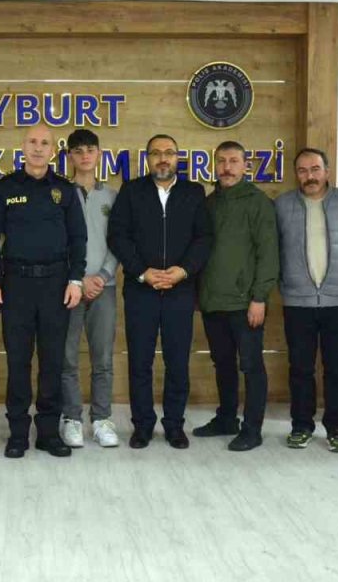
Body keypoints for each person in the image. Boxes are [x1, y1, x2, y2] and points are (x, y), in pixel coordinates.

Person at [0, 124, 86, 459]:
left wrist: (76, 279)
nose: (38, 148)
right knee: (18, 361)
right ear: (22, 146)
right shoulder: (6, 187)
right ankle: (17, 434)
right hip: (16, 285)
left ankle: (47, 433)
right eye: (32, 142)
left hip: (56, 286)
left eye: (45, 143)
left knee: (52, 361)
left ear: (53, 150)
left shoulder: (65, 190)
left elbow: (78, 239)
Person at [108, 133, 212, 450]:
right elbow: (118, 236)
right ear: (148, 158)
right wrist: (143, 272)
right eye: (156, 153)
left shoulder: (194, 192)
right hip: (142, 291)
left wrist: (182, 271)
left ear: (178, 158)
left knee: (177, 361)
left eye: (169, 152)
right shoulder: (132, 191)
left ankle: (174, 425)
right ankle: (142, 426)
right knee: (140, 362)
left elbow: (204, 238)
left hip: (180, 291)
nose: (163, 158)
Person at [274, 148, 338, 453]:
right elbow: (271, 249)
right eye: (303, 170)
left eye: (315, 169)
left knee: (337, 369)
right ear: (296, 174)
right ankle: (301, 426)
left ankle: (337, 428)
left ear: (326, 171)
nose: (310, 176)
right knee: (300, 369)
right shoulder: (281, 206)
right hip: (297, 300)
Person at [196, 141, 278, 452]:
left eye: (233, 161)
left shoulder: (258, 203)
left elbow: (268, 255)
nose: (227, 167)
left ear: (246, 166)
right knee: (223, 364)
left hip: (246, 304)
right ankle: (226, 419)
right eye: (221, 161)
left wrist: (259, 298)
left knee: (251, 366)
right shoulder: (209, 203)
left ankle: (252, 428)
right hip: (213, 301)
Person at [60, 129, 121, 449]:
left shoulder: (111, 197)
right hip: (69, 289)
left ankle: (101, 419)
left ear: (99, 154)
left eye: (90, 150)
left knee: (103, 358)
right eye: (78, 150)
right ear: (70, 156)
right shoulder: (58, 194)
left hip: (104, 288)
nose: (85, 155)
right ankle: (71, 418)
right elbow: (57, 242)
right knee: (66, 357)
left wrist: (102, 275)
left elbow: (119, 241)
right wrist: (78, 279)